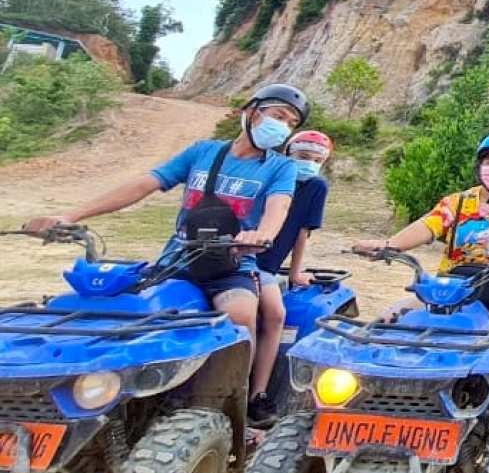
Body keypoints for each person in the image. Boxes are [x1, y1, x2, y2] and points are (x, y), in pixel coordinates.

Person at [25, 83, 308, 353]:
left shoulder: (281, 167)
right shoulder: (202, 152)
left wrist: (262, 235)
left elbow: (278, 207)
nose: (282, 127)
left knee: (240, 314)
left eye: (291, 123)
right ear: (251, 111)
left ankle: (231, 400)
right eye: (278, 116)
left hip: (231, 266)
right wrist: (69, 215)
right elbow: (144, 184)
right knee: (123, 314)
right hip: (177, 260)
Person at [351, 133, 489, 333]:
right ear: (480, 166)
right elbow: (429, 225)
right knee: (382, 325)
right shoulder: (458, 201)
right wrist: (389, 245)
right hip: (448, 290)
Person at [247, 130, 335, 425]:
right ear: (288, 154)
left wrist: (296, 271)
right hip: (241, 257)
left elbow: (302, 233)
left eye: (315, 159)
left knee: (275, 314)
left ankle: (256, 395)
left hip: (265, 266)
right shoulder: (268, 176)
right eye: (302, 157)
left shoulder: (315, 187)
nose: (308, 163)